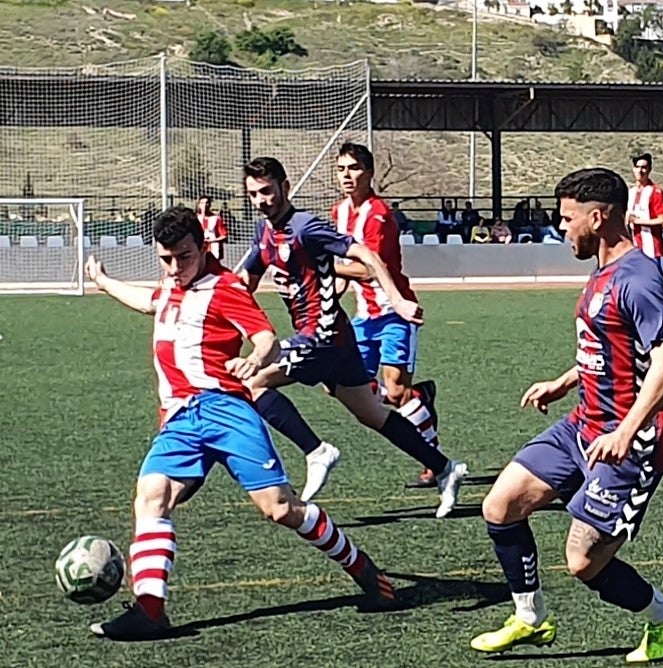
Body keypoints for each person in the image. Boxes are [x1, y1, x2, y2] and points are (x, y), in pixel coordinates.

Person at [84, 206, 395, 642]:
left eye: (184, 257)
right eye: (166, 259)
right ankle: (151, 611)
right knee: (151, 496)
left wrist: (255, 359)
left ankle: (362, 568)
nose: (175, 268)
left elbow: (264, 335)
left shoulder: (226, 287)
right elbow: (146, 301)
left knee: (281, 509)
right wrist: (103, 282)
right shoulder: (171, 289)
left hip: (226, 410)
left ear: (204, 248)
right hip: (179, 418)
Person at [470, 167, 663, 662]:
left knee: (582, 562)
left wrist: (627, 430)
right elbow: (609, 347)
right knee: (500, 505)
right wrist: (564, 380)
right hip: (583, 423)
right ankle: (530, 618)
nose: (561, 228)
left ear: (598, 216)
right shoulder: (602, 270)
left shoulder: (637, 278)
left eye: (568, 218)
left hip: (629, 440)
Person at [239, 156, 468, 518]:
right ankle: (444, 467)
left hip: (323, 335)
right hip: (336, 337)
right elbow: (244, 286)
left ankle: (317, 451)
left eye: (267, 191)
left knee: (253, 384)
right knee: (372, 413)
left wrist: (397, 299)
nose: (260, 200)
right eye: (252, 194)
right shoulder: (264, 232)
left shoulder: (305, 227)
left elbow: (365, 254)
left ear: (284, 187)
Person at [331, 143, 444, 487]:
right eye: (341, 169)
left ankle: (434, 460)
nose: (346, 175)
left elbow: (367, 270)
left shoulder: (378, 214)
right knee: (343, 388)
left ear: (368, 172)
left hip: (395, 312)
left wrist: (323, 267)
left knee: (394, 393)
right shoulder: (338, 213)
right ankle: (420, 399)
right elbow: (344, 271)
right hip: (363, 316)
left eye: (353, 168)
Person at [627, 153, 663, 273]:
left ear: (649, 169)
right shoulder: (631, 193)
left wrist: (638, 221)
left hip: (653, 250)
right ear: (633, 169)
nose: (640, 171)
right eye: (637, 167)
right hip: (635, 250)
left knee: (656, 289)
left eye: (644, 167)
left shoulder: (655, 192)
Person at [195, 196, 228, 261]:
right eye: (202, 203)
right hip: (198, 250)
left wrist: (212, 240)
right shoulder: (195, 219)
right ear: (198, 205)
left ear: (210, 205)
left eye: (206, 203)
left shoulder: (216, 218)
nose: (204, 205)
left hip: (213, 250)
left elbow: (224, 236)